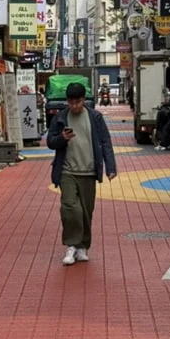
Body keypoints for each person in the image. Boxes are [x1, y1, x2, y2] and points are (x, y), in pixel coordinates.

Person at [47, 82, 117, 265]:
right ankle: (71, 245)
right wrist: (62, 138)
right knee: (70, 207)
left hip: (88, 171)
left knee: (86, 211)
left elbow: (105, 142)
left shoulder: (95, 117)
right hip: (67, 170)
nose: (74, 106)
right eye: (71, 102)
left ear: (83, 100)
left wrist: (110, 167)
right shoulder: (61, 117)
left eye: (77, 102)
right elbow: (50, 141)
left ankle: (83, 246)